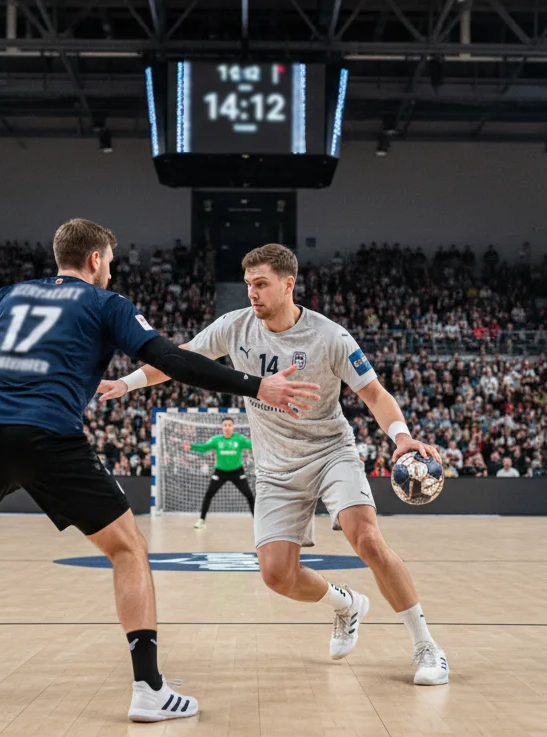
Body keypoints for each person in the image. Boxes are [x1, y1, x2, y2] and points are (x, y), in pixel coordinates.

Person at [0, 221, 320, 722]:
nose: (111, 268)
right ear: (94, 260)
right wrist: (256, 386)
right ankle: (149, 688)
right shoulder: (107, 305)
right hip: (47, 435)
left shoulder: (8, 295)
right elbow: (172, 360)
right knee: (127, 548)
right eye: (109, 259)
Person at [101, 243, 451, 686]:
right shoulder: (235, 327)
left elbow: (375, 395)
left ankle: (427, 648)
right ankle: (345, 605)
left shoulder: (330, 337)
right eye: (248, 284)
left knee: (367, 539)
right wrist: (128, 383)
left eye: (261, 284)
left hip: (329, 452)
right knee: (276, 575)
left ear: (289, 284)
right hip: (275, 468)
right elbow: (181, 358)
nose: (252, 293)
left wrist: (401, 437)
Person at [181, 417, 254, 529]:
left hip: (237, 472)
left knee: (249, 495)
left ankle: (257, 521)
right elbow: (203, 448)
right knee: (208, 495)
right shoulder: (216, 440)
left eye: (229, 425)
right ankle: (201, 520)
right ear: (222, 427)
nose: (227, 427)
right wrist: (191, 446)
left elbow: (252, 445)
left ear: (233, 427)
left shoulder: (239, 439)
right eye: (225, 425)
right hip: (220, 472)